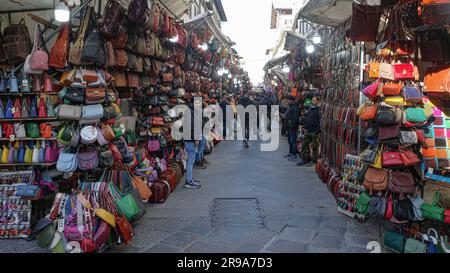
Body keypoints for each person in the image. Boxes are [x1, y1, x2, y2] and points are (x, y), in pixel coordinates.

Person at [183, 98, 202, 189]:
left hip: (190, 139)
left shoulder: (191, 111)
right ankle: (189, 181)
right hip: (190, 140)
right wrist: (196, 139)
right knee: (190, 161)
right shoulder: (191, 112)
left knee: (191, 160)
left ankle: (190, 178)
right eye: (197, 103)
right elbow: (192, 127)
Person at [297, 96, 321, 167]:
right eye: (312, 100)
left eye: (314, 100)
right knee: (304, 145)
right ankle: (303, 159)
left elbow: (321, 121)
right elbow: (308, 118)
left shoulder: (319, 110)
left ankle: (314, 161)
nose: (313, 102)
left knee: (315, 147)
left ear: (318, 101)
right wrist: (305, 126)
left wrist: (317, 130)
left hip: (314, 131)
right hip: (308, 130)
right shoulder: (310, 108)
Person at [284, 96, 300, 160]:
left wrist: (291, 126)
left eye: (288, 100)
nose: (287, 102)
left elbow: (295, 118)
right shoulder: (291, 107)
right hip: (289, 127)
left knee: (293, 141)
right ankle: (291, 153)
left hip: (292, 128)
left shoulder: (294, 108)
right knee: (290, 141)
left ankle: (294, 154)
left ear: (292, 101)